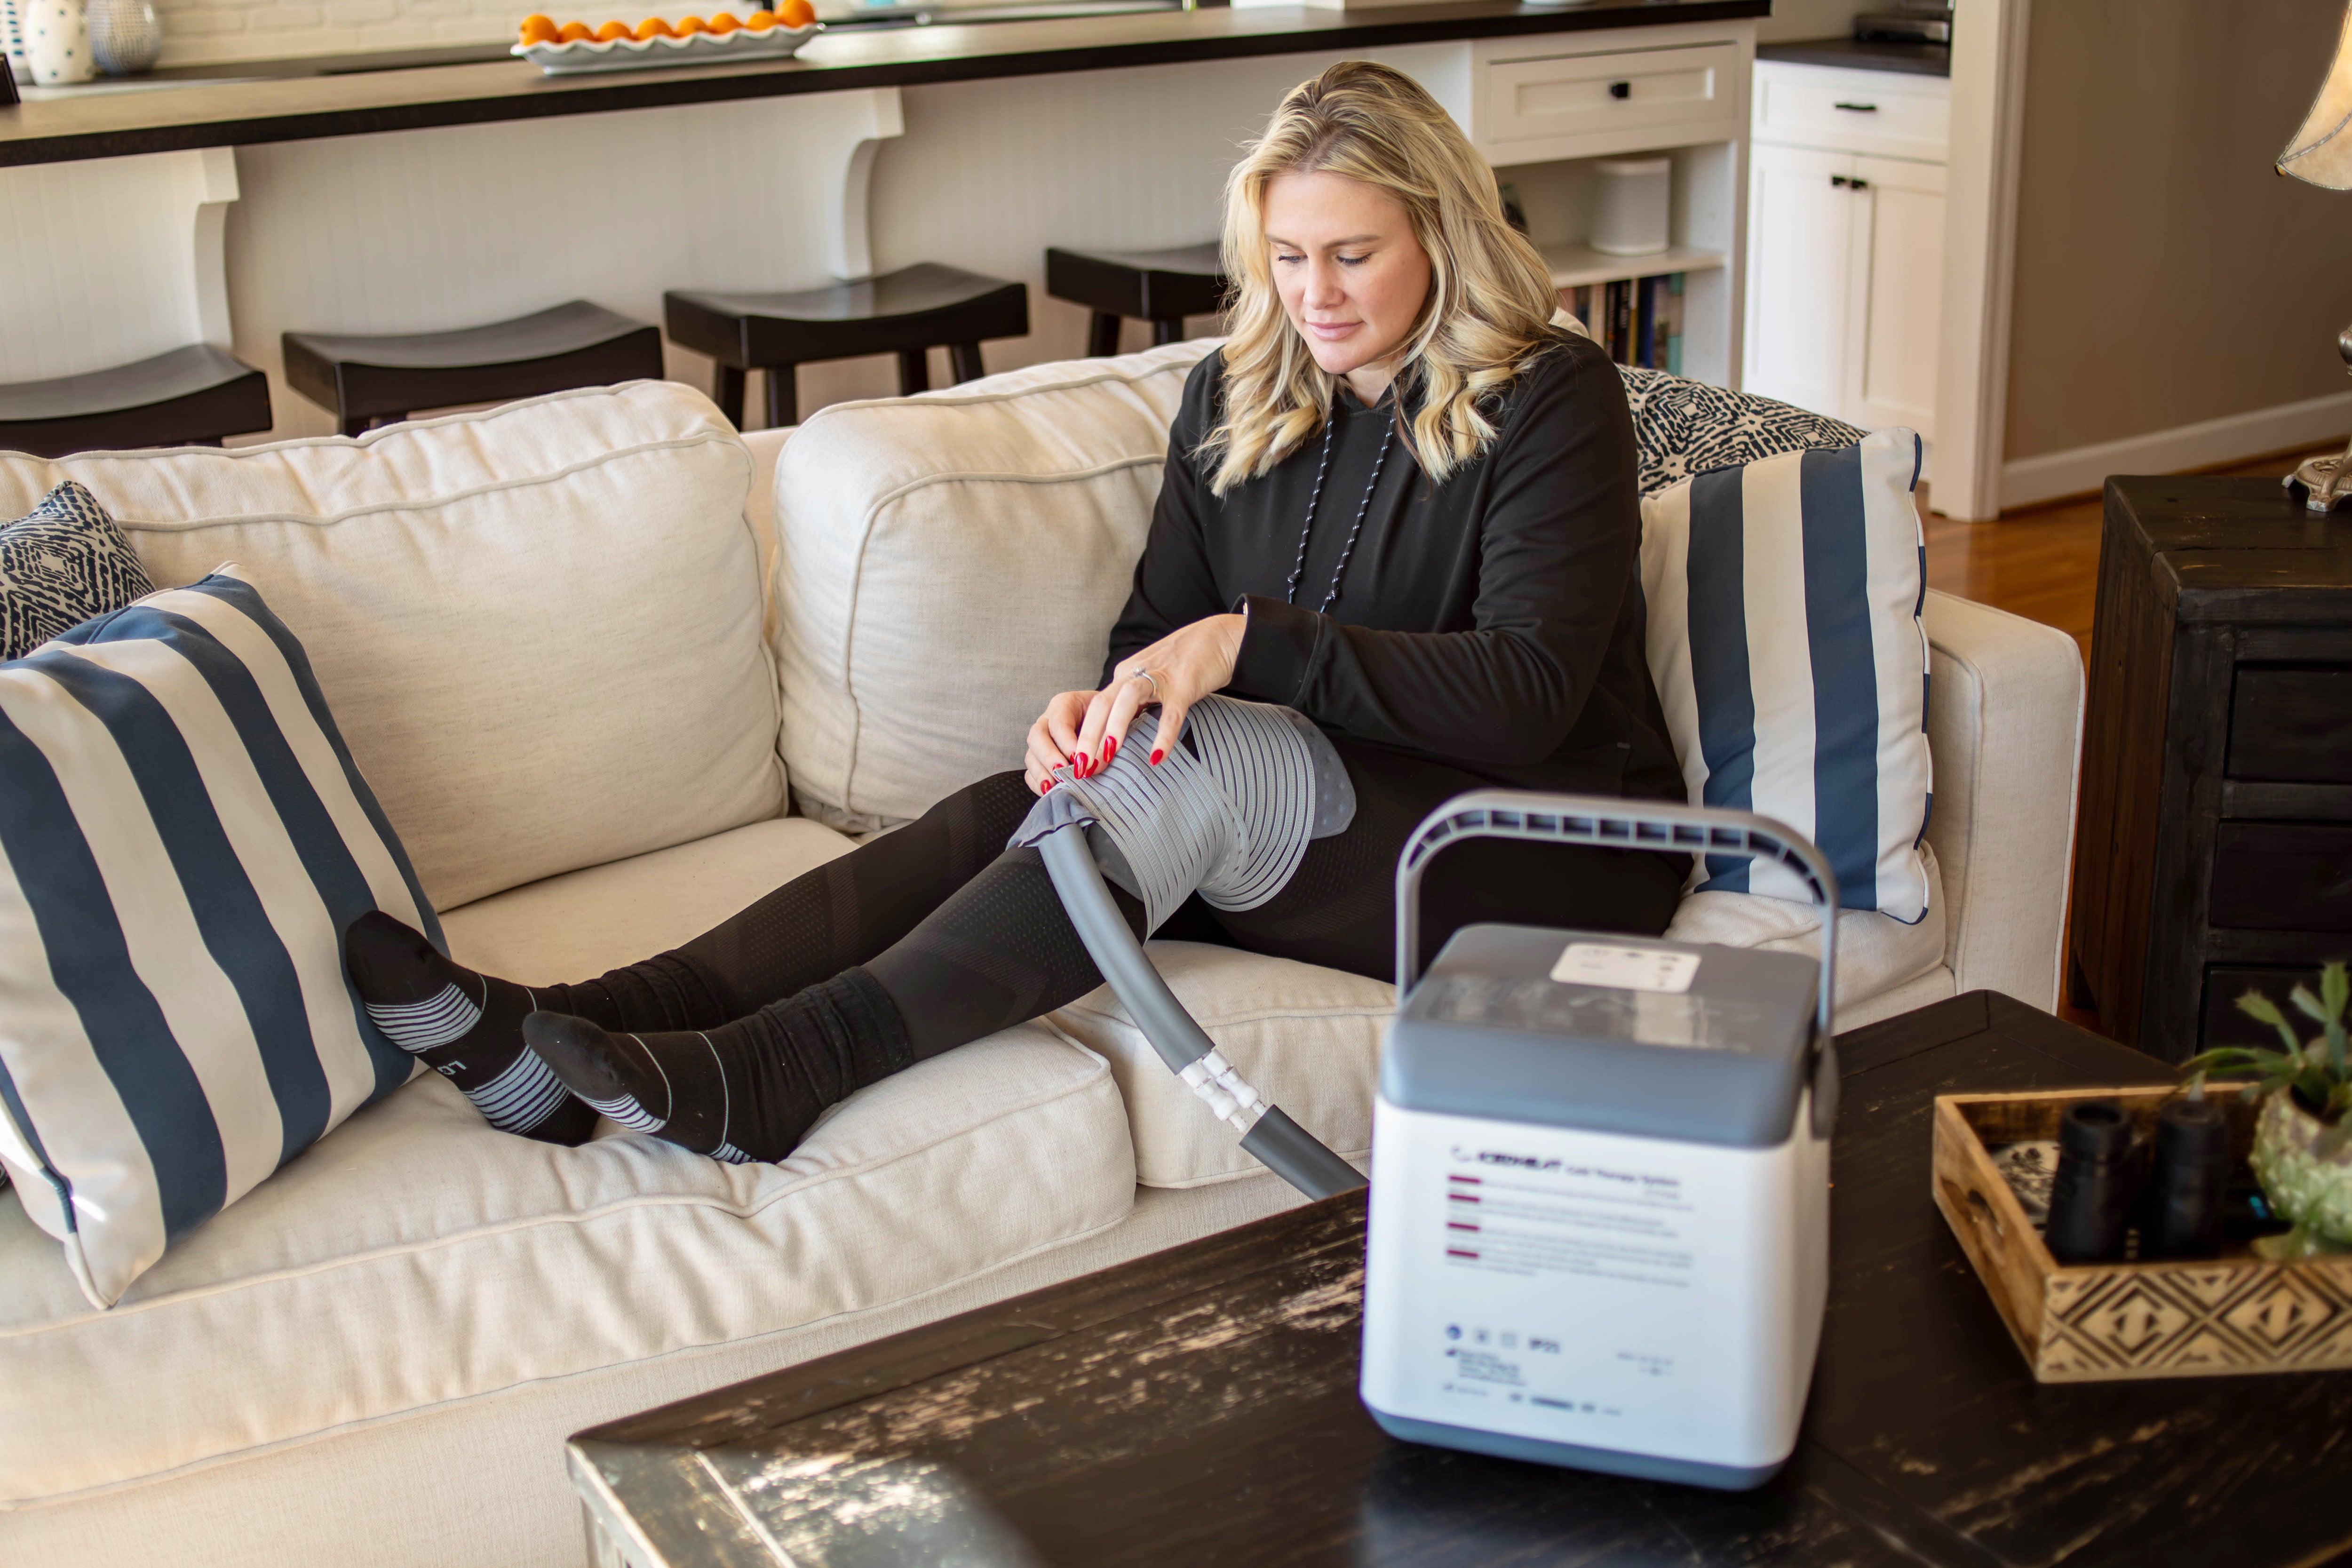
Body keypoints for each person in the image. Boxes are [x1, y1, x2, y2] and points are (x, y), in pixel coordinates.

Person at [342, 59, 1687, 1163]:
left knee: (1193, 765)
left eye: (1352, 256)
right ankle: (566, 1033)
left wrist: (1248, 647)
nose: (1314, 298)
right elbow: (1149, 639)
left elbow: (1526, 694)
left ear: (1441, 237)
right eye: (1286, 257)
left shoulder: (1549, 395)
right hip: (1310, 827)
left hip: (1535, 840)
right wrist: (1100, 711)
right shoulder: (1236, 401)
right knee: (1024, 798)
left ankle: (776, 1073)